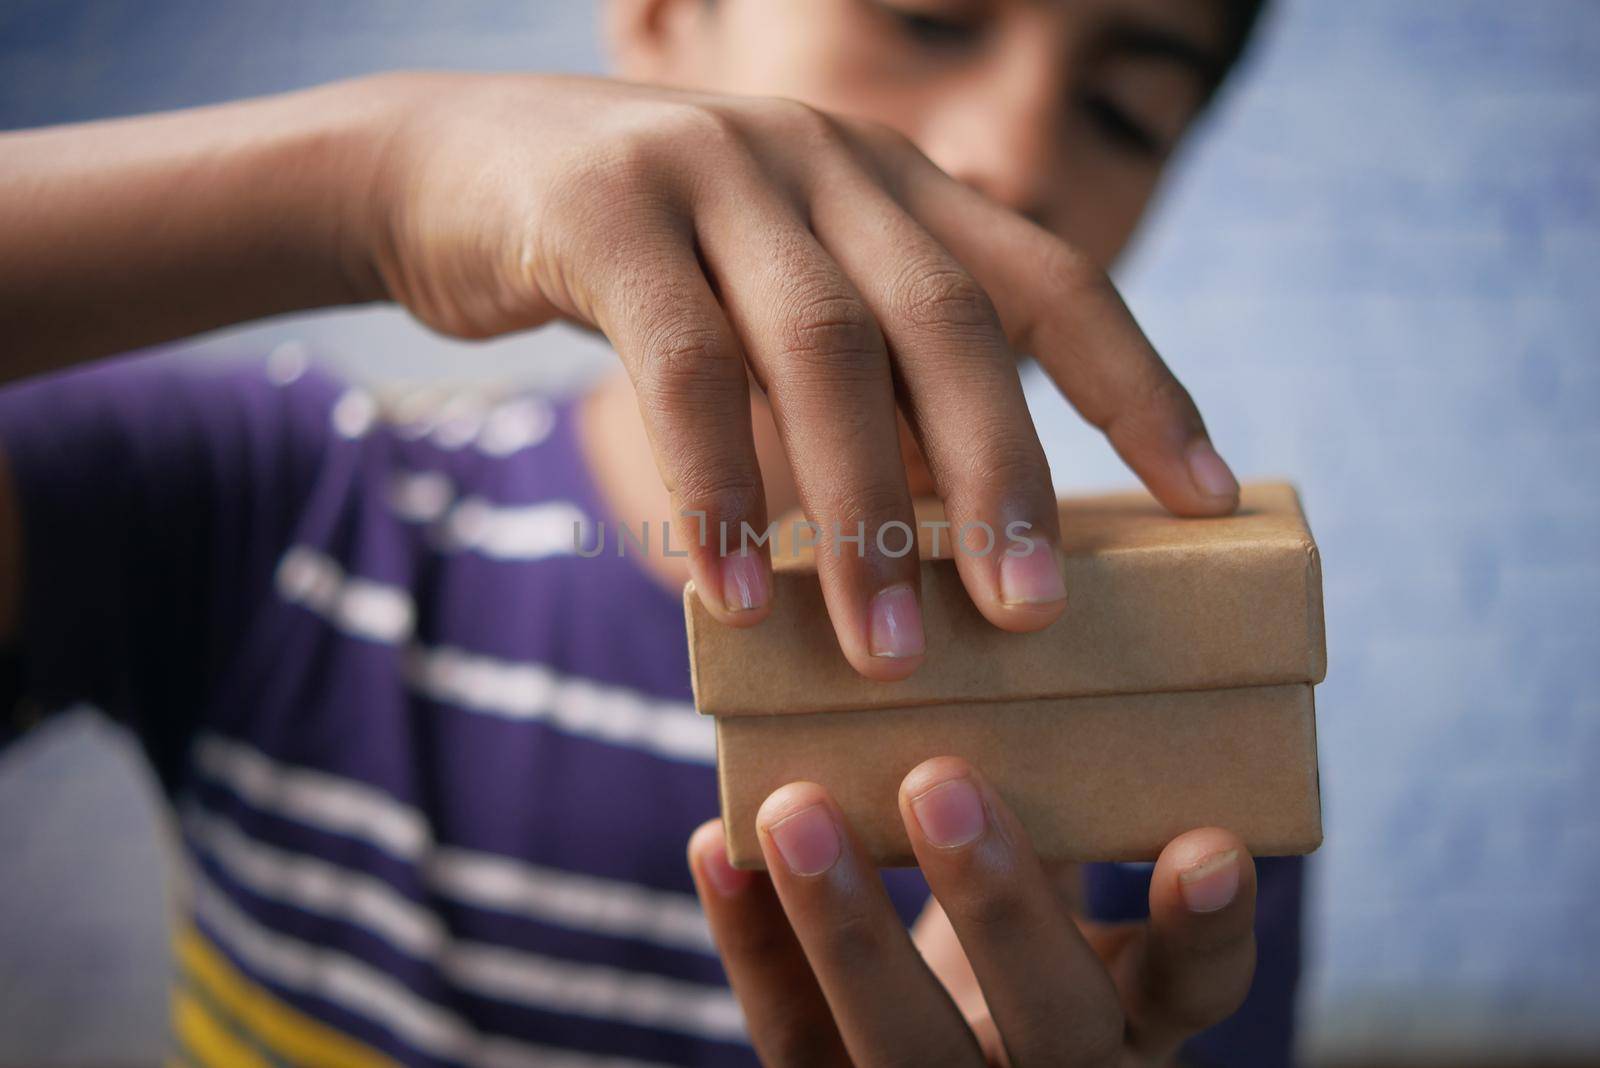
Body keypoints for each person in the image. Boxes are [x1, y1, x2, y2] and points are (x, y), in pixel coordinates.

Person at [0, 0, 1301, 1064]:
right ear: (666, 22)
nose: (1016, 157)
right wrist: (368, 182)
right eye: (930, 17)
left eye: (1127, 113)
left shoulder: (1180, 745)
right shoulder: (273, 505)